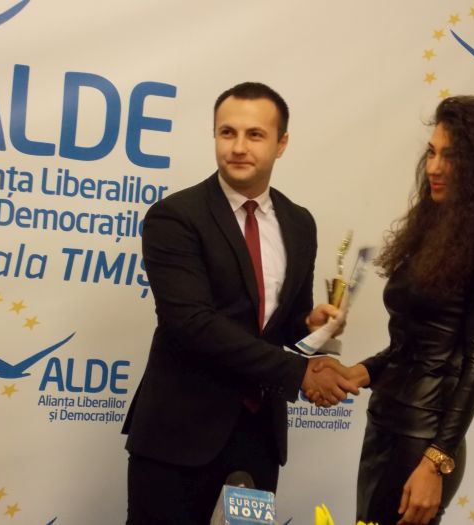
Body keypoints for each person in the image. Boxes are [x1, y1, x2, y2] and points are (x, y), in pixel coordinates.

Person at [122, 81, 358, 525]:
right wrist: (300, 372)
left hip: (258, 436)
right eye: (227, 132)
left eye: (255, 135)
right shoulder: (175, 216)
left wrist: (312, 325)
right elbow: (192, 324)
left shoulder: (299, 222)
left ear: (281, 143)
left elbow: (284, 322)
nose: (238, 147)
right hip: (178, 435)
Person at [313, 96, 474, 524]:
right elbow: (412, 346)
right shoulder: (433, 231)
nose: (434, 167)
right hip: (385, 425)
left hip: (423, 440)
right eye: (431, 153)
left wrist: (436, 461)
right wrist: (358, 373)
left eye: (450, 157)